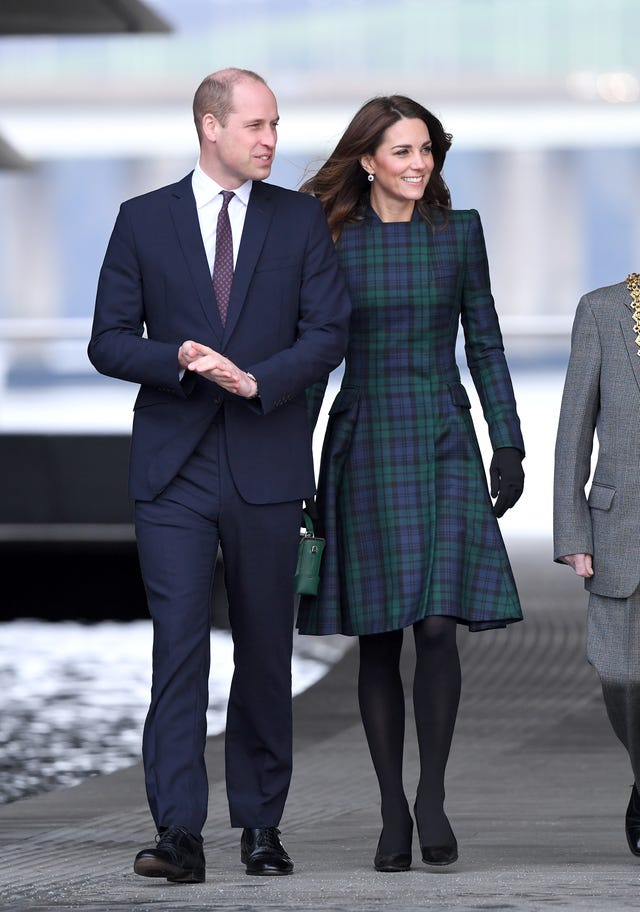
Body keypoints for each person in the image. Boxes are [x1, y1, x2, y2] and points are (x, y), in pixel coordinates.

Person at [88, 67, 350, 882]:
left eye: (275, 125)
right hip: (173, 471)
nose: (271, 140)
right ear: (210, 126)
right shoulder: (142, 221)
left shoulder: (300, 220)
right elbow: (106, 340)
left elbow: (329, 331)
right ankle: (179, 835)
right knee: (178, 652)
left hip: (268, 464)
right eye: (256, 126)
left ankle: (261, 828)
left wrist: (258, 380)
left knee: (266, 652)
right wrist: (179, 358)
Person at [297, 95, 525, 872]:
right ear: (367, 160)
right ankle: (391, 808)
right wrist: (296, 462)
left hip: (442, 438)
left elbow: (486, 341)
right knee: (380, 634)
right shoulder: (331, 240)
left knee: (437, 624)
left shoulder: (458, 233)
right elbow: (311, 363)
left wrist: (509, 440)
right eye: (402, 151)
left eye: (426, 148)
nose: (419, 163)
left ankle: (431, 795)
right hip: (362, 440)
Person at [554, 273, 640, 858]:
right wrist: (572, 529)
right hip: (620, 526)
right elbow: (574, 431)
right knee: (621, 676)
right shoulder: (603, 310)